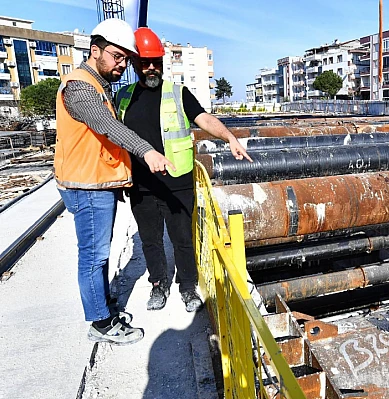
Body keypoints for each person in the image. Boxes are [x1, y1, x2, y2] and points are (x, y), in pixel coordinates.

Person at [55, 19, 175, 345]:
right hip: (86, 185)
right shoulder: (79, 87)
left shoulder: (95, 85)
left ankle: (102, 307)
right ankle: (102, 324)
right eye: (117, 56)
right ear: (95, 51)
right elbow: (108, 126)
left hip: (94, 183)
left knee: (99, 255)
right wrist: (147, 151)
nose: (123, 64)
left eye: (125, 58)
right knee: (93, 257)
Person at [115, 27, 252, 312]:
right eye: (145, 63)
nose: (151, 68)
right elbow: (112, 135)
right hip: (141, 185)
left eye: (156, 63)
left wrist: (229, 138)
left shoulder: (178, 93)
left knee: (183, 240)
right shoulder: (123, 96)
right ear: (135, 63)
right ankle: (158, 284)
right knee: (150, 241)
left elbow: (204, 118)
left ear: (163, 64)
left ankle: (188, 288)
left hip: (177, 181)